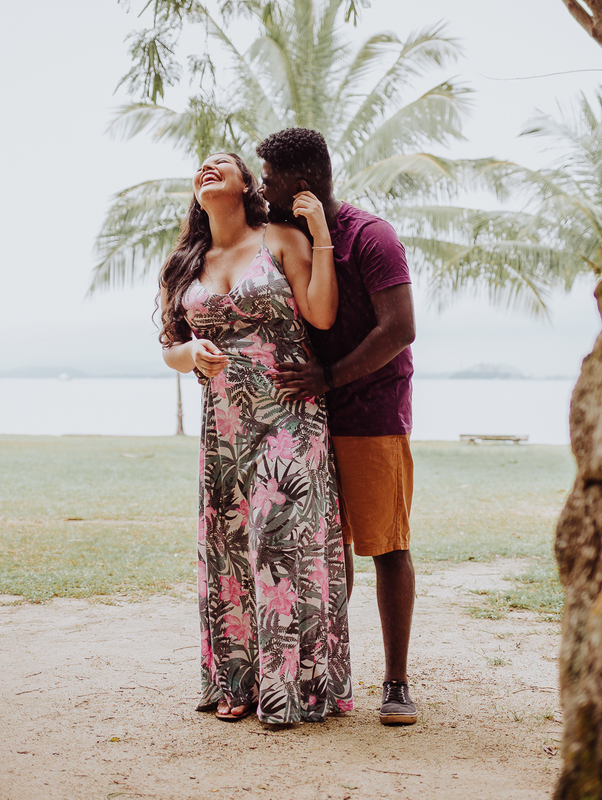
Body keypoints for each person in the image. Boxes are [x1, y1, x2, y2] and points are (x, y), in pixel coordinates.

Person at [158, 151, 353, 725]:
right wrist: (189, 353)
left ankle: (294, 688)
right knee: (229, 551)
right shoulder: (186, 261)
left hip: (290, 420)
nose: (208, 169)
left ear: (247, 184)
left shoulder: (281, 240)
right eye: (201, 167)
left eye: (223, 163)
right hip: (224, 429)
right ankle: (239, 681)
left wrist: (318, 235)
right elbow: (170, 346)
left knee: (277, 546)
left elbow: (320, 315)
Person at [259, 128, 419, 726]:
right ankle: (324, 672)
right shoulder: (285, 238)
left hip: (371, 413)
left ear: (299, 183)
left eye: (268, 176)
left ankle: (397, 682)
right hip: (304, 419)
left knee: (386, 545)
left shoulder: (370, 236)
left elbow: (399, 328)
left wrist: (330, 377)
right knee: (326, 552)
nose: (261, 186)